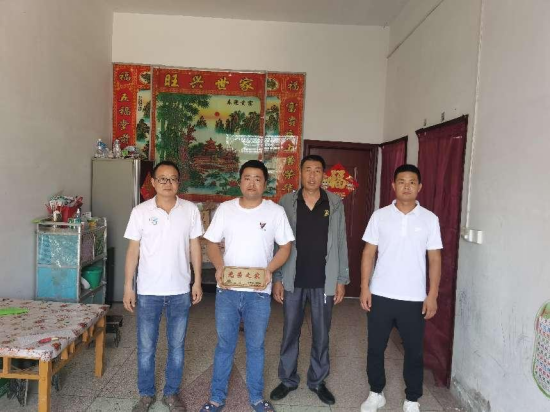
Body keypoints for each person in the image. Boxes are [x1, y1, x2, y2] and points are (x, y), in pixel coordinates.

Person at [200, 160, 295, 413]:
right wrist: (219, 266)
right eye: (247, 178)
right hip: (228, 291)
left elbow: (286, 246)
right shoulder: (226, 209)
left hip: (258, 294)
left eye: (257, 178)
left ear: (265, 183)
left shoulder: (275, 212)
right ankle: (216, 398)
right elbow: (211, 242)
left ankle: (256, 398)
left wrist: (269, 270)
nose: (252, 183)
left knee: (256, 346)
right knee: (224, 345)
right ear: (240, 181)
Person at [359, 164, 443, 413]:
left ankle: (412, 398)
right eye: (402, 182)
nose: (407, 186)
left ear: (419, 187)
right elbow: (368, 253)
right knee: (375, 348)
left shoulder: (430, 219)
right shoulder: (380, 216)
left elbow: (435, 259)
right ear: (393, 185)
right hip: (380, 294)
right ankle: (376, 393)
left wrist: (432, 295)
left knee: (414, 351)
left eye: (412, 182)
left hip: (414, 298)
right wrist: (364, 287)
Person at [123, 161, 204, 413]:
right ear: (153, 182)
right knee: (146, 347)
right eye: (163, 179)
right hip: (148, 291)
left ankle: (171, 393)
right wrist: (128, 286)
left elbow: (195, 247)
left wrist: (197, 281)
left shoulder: (190, 210)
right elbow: (133, 251)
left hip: (180, 290)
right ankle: (146, 394)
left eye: (173, 179)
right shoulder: (140, 211)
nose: (168, 183)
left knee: (177, 347)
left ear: (179, 182)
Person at [270, 155, 350, 406]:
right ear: (300, 173)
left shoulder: (334, 203)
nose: (312, 175)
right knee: (290, 331)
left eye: (317, 170)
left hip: (324, 279)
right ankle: (287, 379)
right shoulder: (286, 202)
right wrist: (277, 277)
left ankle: (317, 380)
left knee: (322, 333)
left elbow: (341, 241)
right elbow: (279, 242)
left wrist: (341, 279)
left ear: (323, 174)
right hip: (293, 277)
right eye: (308, 170)